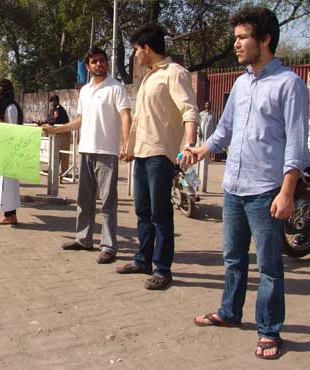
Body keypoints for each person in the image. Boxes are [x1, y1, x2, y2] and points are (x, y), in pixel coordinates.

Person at [190, 7, 309, 360]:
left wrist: (287, 191)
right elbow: (224, 129)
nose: (236, 44)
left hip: (266, 191)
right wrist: (202, 149)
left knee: (270, 266)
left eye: (243, 37)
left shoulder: (289, 84)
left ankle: (270, 330)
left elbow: (296, 143)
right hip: (234, 188)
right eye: (236, 37)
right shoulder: (241, 83)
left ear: (265, 39)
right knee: (232, 258)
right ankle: (229, 312)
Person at [115, 24, 198, 290]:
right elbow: (143, 119)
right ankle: (143, 259)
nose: (135, 56)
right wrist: (129, 148)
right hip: (141, 153)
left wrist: (189, 145)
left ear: (147, 48)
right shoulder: (150, 76)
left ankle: (162, 269)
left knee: (161, 214)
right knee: (143, 210)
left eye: (136, 50)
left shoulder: (174, 74)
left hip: (161, 155)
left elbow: (189, 111)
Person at [42, 47, 132, 263]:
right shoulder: (85, 91)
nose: (99, 64)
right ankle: (83, 239)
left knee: (108, 202)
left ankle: (109, 246)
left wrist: (126, 145)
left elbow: (126, 117)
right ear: (88, 66)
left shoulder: (116, 87)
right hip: (85, 151)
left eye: (102, 60)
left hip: (107, 153)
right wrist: (56, 129)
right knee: (84, 200)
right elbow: (80, 120)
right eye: (95, 61)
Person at [0, 79, 24, 225]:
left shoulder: (11, 108)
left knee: (7, 185)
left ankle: (10, 215)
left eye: (1, 90)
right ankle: (9, 214)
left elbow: (13, 129)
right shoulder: (5, 107)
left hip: (9, 152)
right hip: (3, 150)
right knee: (6, 185)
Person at [46, 95, 71, 177]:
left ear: (57, 101)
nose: (52, 103)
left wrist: (46, 123)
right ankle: (53, 170)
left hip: (64, 133)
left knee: (64, 154)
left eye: (53, 101)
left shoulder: (59, 109)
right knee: (55, 153)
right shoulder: (52, 110)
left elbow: (55, 120)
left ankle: (65, 172)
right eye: (51, 101)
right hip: (57, 133)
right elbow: (49, 119)